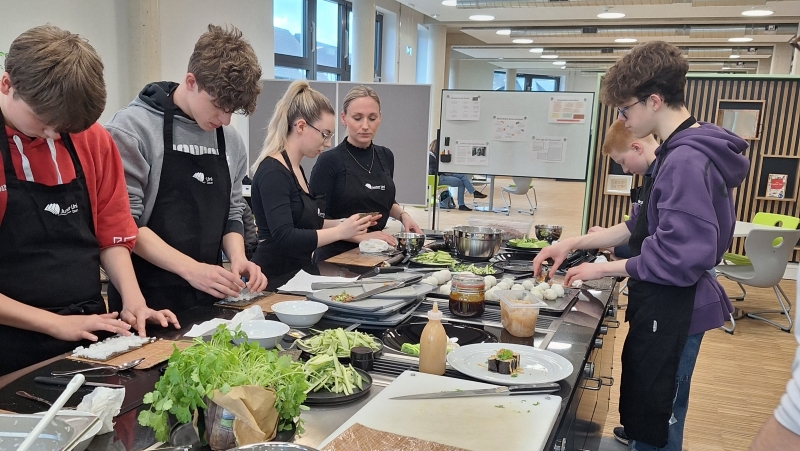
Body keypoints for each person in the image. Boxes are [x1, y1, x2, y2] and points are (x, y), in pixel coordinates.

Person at [533, 40, 749, 451]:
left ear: (653, 100)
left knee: (661, 413)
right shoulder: (676, 150)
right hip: (665, 302)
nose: (623, 118)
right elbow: (639, 226)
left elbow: (674, 254)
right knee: (648, 401)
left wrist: (598, 269)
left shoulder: (685, 160)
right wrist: (574, 242)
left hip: (679, 306)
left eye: (625, 108)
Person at [0, 25, 178, 375]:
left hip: (89, 332)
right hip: (10, 348)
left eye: (65, 129)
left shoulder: (92, 140)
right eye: (43, 122)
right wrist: (54, 324)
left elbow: (112, 232)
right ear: (7, 85)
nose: (53, 135)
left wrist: (134, 301)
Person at [105, 24, 267, 314]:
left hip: (211, 296)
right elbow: (126, 224)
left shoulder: (230, 141)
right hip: (146, 301)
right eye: (219, 106)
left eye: (233, 110)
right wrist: (192, 270)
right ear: (191, 82)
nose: (226, 119)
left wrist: (238, 257)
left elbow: (231, 212)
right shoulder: (133, 129)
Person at [250, 81, 373, 283]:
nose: (328, 143)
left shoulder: (296, 168)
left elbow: (308, 222)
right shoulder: (273, 172)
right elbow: (285, 236)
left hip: (297, 276)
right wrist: (341, 232)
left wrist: (351, 223)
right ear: (301, 126)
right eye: (325, 134)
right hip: (272, 279)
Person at [309, 85, 422, 262]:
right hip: (336, 258)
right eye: (357, 118)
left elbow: (382, 200)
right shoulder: (329, 161)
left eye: (372, 118)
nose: (365, 126)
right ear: (343, 118)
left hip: (379, 253)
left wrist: (403, 216)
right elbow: (314, 220)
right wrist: (362, 237)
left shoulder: (386, 156)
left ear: (380, 118)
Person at [587, 120, 658, 263]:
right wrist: (607, 237)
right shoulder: (650, 176)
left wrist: (615, 247)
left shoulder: (665, 177)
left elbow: (661, 246)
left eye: (623, 162)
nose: (625, 170)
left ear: (637, 148)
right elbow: (637, 226)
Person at [427, 139, 487, 211]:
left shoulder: (433, 156)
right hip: (438, 178)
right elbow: (432, 172)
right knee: (461, 182)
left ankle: (473, 193)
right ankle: (462, 203)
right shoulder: (431, 157)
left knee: (462, 175)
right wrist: (443, 171)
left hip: (441, 175)